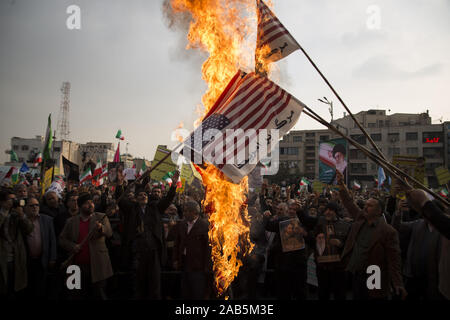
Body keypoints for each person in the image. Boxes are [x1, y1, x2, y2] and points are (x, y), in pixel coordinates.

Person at [336, 170, 406, 300]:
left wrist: (397, 283)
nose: (365, 207)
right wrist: (341, 184)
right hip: (356, 272)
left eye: (370, 205)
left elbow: (394, 260)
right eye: (366, 204)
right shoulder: (360, 219)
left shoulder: (388, 232)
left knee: (373, 297)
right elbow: (349, 203)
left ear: (379, 211)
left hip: (374, 273)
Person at [117, 170, 180, 299]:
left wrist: (173, 185)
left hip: (153, 252)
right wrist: (119, 184)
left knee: (154, 283)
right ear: (136, 198)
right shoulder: (131, 209)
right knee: (137, 283)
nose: (143, 196)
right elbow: (120, 200)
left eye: (145, 195)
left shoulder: (155, 208)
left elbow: (168, 199)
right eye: (140, 195)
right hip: (137, 252)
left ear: (148, 196)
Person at [59, 192, 113, 300]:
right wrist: (72, 246)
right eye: (87, 203)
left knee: (98, 294)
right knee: (75, 295)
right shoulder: (71, 221)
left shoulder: (101, 217)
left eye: (92, 202)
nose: (91, 205)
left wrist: (101, 228)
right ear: (80, 206)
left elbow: (109, 232)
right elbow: (62, 239)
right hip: (75, 266)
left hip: (98, 265)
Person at [174, 200, 211, 299]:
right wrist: (176, 259)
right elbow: (177, 243)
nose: (184, 213)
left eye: (187, 211)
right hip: (184, 263)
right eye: (184, 211)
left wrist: (206, 267)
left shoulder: (204, 226)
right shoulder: (182, 224)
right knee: (185, 292)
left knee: (197, 293)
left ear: (195, 212)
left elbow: (208, 248)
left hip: (198, 267)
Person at [313, 201, 350, 300]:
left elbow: (350, 246)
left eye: (330, 210)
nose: (327, 213)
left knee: (340, 294)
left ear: (336, 212)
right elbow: (311, 238)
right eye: (326, 210)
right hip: (322, 266)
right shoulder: (320, 222)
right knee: (323, 293)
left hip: (339, 267)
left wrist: (340, 244)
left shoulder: (345, 225)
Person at [0, 190, 34, 299]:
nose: (13, 202)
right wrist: (4, 213)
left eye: (15, 199)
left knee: (16, 286)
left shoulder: (16, 215)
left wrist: (22, 215)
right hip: (2, 256)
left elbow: (29, 229)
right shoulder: (2, 214)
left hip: (17, 257)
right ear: (2, 202)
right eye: (10, 199)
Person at [23, 197, 57, 299]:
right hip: (26, 262)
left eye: (37, 205)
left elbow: (52, 240)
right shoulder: (21, 220)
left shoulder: (47, 220)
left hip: (42, 260)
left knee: (41, 289)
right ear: (25, 208)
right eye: (31, 205)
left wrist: (52, 258)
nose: (35, 207)